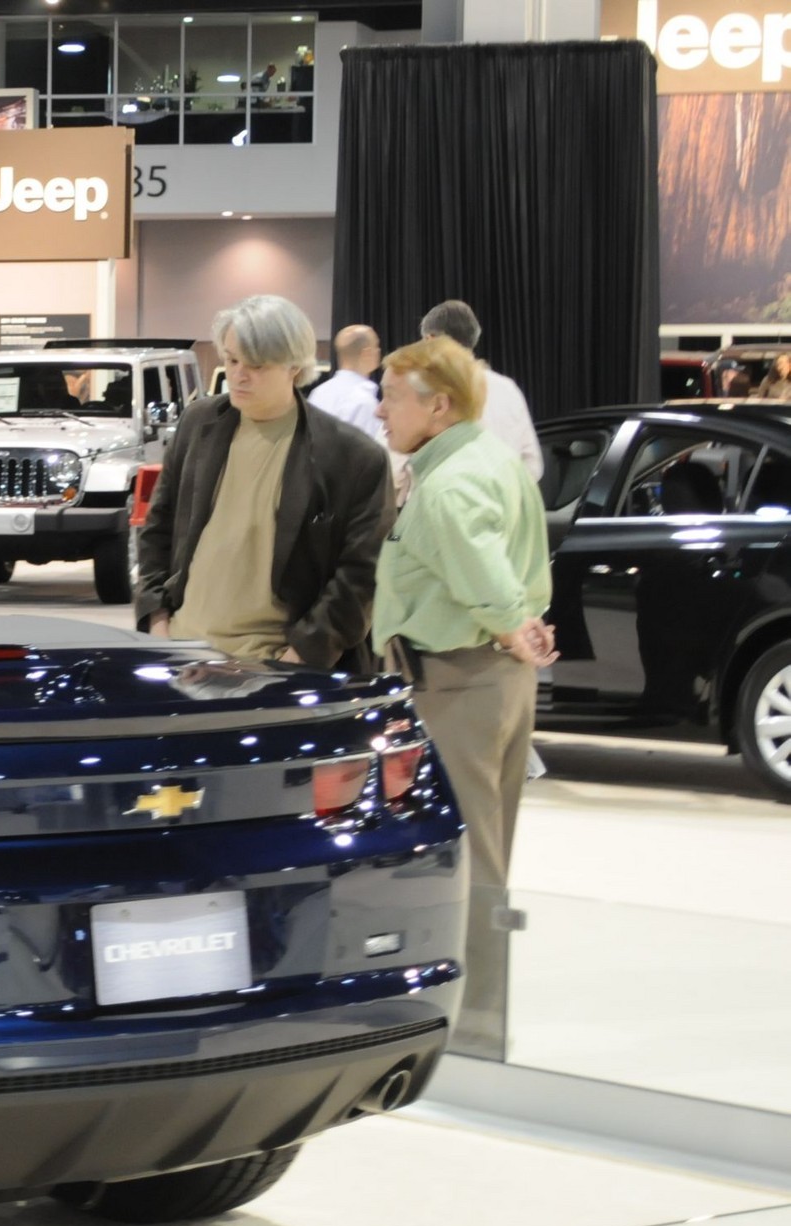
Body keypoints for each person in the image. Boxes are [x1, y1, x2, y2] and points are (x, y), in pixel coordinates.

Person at [373, 333, 555, 910]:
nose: (379, 409)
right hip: (489, 680)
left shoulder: (451, 483)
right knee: (487, 853)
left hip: (459, 682)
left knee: (466, 859)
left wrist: (510, 625)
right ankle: (479, 999)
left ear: (438, 406)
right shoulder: (492, 458)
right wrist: (520, 624)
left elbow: (485, 577)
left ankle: (469, 1001)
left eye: (391, 396)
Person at [135, 294, 393, 670]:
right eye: (232, 359)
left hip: (277, 668)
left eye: (256, 365)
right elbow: (157, 529)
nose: (238, 375)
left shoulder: (353, 457)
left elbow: (359, 577)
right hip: (182, 655)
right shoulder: (198, 425)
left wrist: (296, 661)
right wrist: (157, 622)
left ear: (294, 366)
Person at [419, 300, 542, 483]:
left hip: (444, 505)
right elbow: (533, 464)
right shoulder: (508, 389)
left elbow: (394, 465)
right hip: (505, 505)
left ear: (430, 340)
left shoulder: (424, 388)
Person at [306, 324, 385, 444]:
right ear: (367, 353)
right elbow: (366, 453)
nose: (379, 351)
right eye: (376, 346)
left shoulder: (318, 393)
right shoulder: (364, 402)